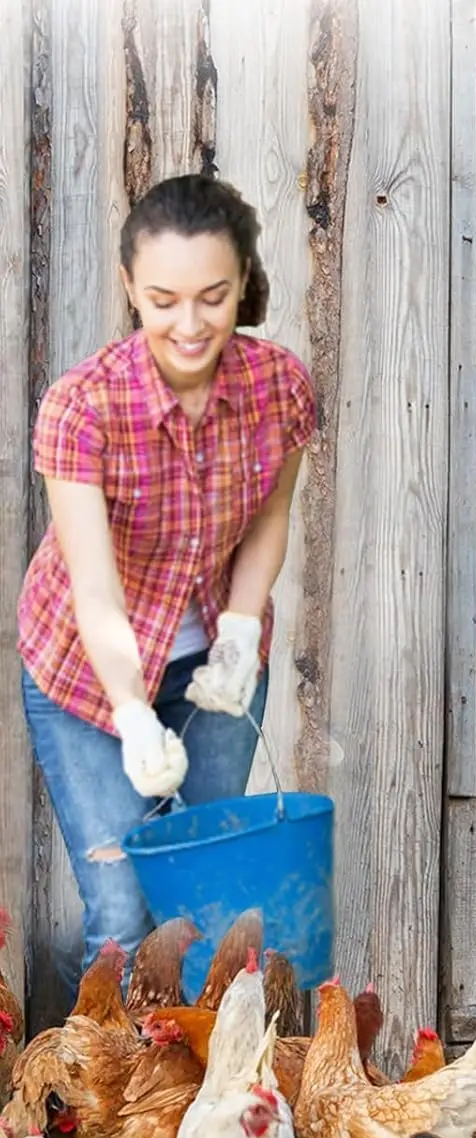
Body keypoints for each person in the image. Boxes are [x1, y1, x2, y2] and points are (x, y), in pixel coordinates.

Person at [19, 173, 316, 989]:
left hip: (211, 664)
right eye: (163, 301)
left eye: (213, 298)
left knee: (203, 904)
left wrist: (241, 632)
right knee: (122, 915)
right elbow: (94, 589)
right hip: (87, 677)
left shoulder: (280, 387)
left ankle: (193, 1073)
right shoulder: (82, 407)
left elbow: (270, 520)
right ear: (130, 288)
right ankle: (108, 1075)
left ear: (243, 280)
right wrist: (132, 715)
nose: (189, 325)